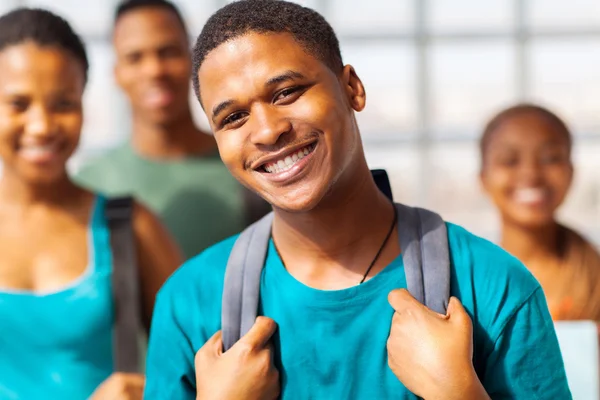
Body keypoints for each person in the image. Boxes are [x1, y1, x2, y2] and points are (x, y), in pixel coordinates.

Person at [144, 1, 571, 398]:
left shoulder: (493, 287)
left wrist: (459, 391)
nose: (267, 130)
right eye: (233, 117)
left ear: (352, 88)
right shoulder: (190, 304)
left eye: (287, 92)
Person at [0, 8, 182, 399]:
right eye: (18, 104)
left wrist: (151, 392)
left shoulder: (128, 225)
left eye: (63, 104)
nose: (42, 125)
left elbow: (205, 367)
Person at [74, 0, 270, 260]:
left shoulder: (251, 161)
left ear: (192, 59)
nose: (155, 70)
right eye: (135, 58)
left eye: (168, 52)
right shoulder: (91, 184)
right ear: (117, 73)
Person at [480, 104, 600, 321]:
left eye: (550, 158)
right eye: (509, 160)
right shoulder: (463, 280)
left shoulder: (593, 277)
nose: (531, 174)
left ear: (571, 172)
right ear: (483, 177)